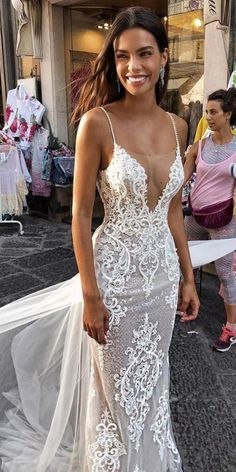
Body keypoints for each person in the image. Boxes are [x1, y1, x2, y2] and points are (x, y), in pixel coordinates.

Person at [71, 6, 200, 471]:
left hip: (161, 281)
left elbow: (173, 211)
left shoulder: (177, 126)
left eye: (144, 53)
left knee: (151, 386)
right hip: (114, 282)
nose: (133, 66)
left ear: (163, 57)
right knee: (117, 395)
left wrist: (188, 277)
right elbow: (81, 214)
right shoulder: (97, 124)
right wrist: (90, 294)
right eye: (123, 56)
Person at [184, 88, 236, 352]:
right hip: (195, 217)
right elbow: (181, 179)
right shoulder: (200, 146)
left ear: (228, 114)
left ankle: (231, 328)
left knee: (227, 275)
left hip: (224, 223)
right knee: (184, 261)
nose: (209, 117)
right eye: (207, 112)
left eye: (214, 112)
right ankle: (186, 304)